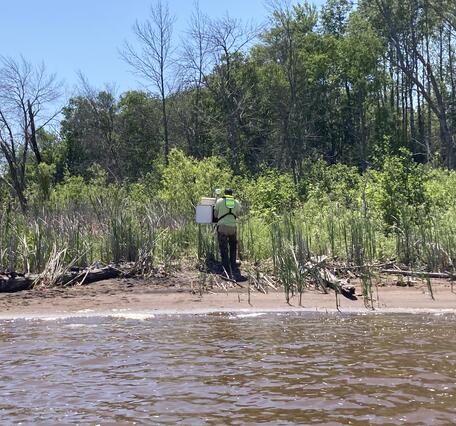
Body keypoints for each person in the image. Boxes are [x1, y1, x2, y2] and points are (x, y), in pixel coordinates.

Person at [213, 188, 241, 278]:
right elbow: (237, 215)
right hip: (233, 227)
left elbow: (215, 215)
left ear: (225, 193)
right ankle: (233, 265)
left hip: (222, 227)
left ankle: (225, 267)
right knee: (233, 247)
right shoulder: (236, 202)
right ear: (232, 194)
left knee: (223, 248)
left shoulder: (220, 201)